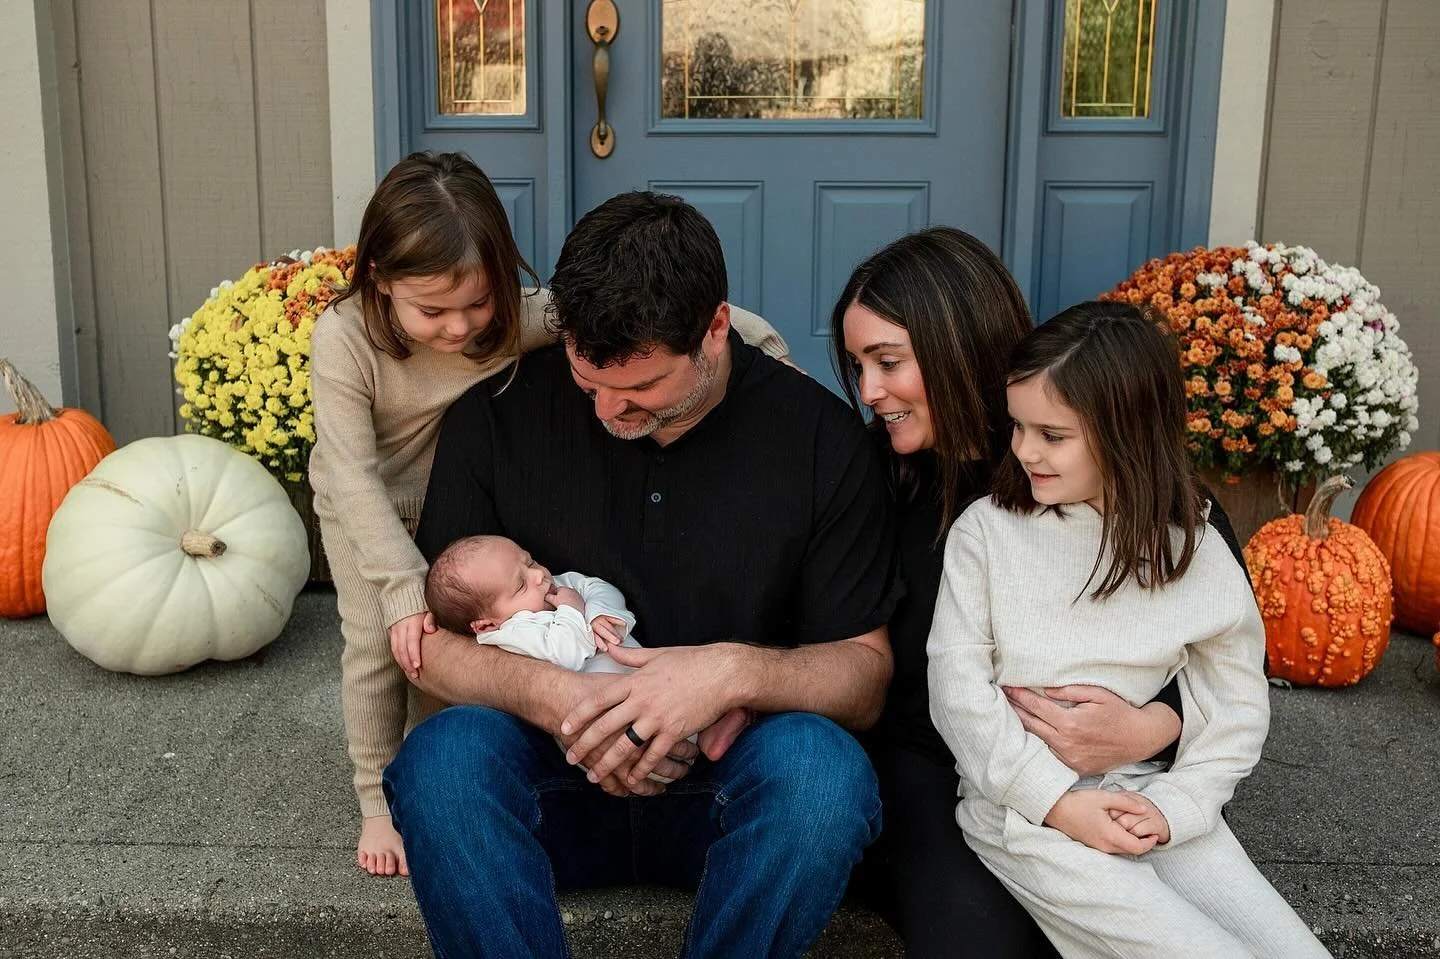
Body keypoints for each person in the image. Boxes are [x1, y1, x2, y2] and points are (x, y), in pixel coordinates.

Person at [384, 190, 900, 958]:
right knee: (440, 764)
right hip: (549, 779)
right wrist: (562, 696)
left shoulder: (821, 440)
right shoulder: (495, 415)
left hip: (725, 783)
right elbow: (438, 650)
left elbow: (865, 673)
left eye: (642, 388)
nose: (608, 410)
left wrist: (730, 674)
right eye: (589, 381)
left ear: (716, 328)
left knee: (825, 781)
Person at [308, 153, 790, 878]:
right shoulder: (345, 341)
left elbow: (660, 317)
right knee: (385, 645)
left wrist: (766, 349)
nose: (460, 326)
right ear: (378, 275)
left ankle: (461, 775)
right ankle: (379, 795)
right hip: (369, 506)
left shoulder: (511, 319)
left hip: (454, 498)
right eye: (433, 311)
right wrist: (402, 586)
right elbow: (350, 474)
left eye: (477, 303)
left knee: (460, 645)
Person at [831, 228, 1247, 957]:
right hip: (929, 765)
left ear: (958, 344)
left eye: (888, 362)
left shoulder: (1073, 461)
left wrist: (1158, 722)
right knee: (983, 933)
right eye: (857, 364)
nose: (869, 392)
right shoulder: (866, 481)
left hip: (1110, 765)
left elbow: (1213, 630)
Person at [926, 301, 1329, 957]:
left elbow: (1235, 703)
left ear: (1126, 433)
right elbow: (957, 690)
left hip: (1153, 802)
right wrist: (1055, 801)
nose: (1024, 449)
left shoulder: (1192, 551)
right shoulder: (988, 535)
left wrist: (1180, 805)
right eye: (1018, 426)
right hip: (1025, 815)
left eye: (1052, 434)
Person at [421, 534, 753, 765]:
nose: (538, 576)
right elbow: (566, 653)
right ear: (485, 625)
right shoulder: (510, 635)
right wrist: (573, 609)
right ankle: (701, 738)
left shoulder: (553, 589)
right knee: (654, 733)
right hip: (609, 732)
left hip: (650, 691)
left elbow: (596, 586)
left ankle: (710, 734)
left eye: (530, 561)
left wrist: (596, 613)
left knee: (685, 695)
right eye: (520, 584)